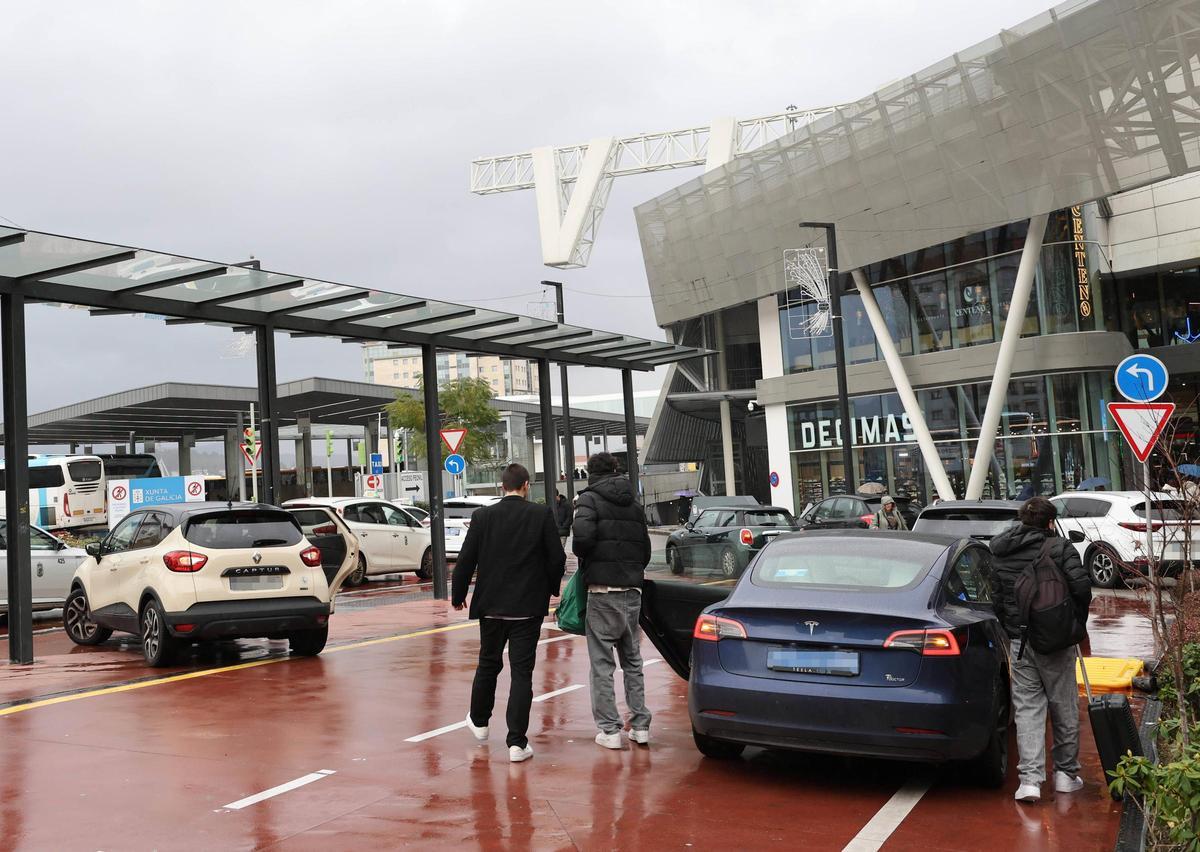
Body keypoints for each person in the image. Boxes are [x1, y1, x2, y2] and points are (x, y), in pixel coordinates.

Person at [451, 463, 566, 763]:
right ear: (526, 485)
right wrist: (552, 589)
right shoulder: (540, 515)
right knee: (521, 672)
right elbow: (557, 558)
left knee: (488, 663)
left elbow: (465, 560)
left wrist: (458, 596)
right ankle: (517, 743)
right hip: (527, 608)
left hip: (491, 606)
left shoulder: (483, 517)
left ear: (503, 486)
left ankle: (479, 721)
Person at [991, 496, 1092, 803]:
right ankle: (1064, 774)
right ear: (1050, 522)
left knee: (1027, 708)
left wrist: (1011, 628)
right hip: (1057, 641)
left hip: (1021, 641)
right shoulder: (1060, 547)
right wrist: (1073, 626)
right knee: (1063, 704)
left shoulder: (1002, 551)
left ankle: (1030, 781)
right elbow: (1082, 589)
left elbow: (996, 596)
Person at [571, 451, 653, 750]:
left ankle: (610, 730)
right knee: (632, 659)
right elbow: (644, 550)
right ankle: (640, 725)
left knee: (602, 663)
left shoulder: (588, 500)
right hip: (633, 591)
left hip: (603, 591)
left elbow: (580, 541)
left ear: (590, 473)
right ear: (616, 470)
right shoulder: (634, 503)